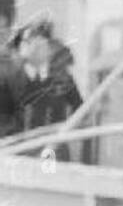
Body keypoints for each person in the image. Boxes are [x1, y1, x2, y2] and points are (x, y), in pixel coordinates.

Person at [1, 17, 83, 159]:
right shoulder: (9, 79)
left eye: (30, 41)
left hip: (52, 152)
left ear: (47, 45)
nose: (25, 47)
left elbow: (82, 113)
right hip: (17, 154)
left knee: (50, 177)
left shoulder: (63, 79)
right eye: (24, 42)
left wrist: (62, 131)